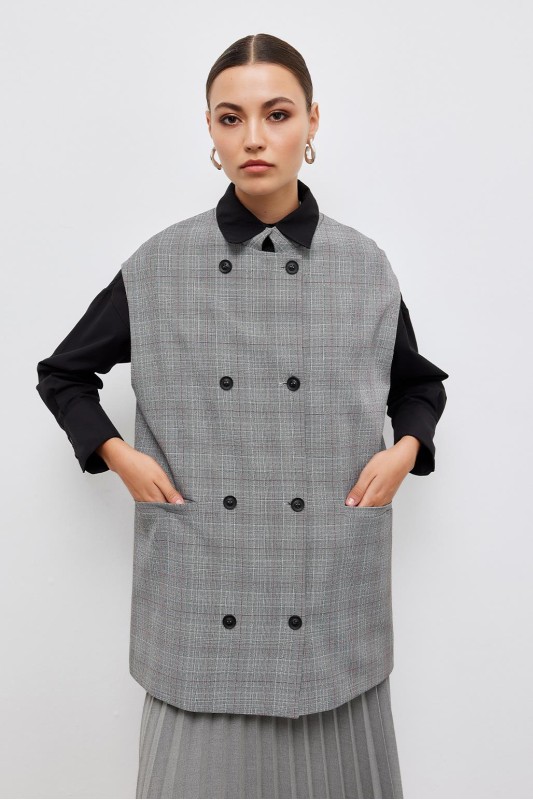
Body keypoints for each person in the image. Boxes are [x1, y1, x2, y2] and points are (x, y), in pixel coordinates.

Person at [36, 32, 449, 800]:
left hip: (330, 590)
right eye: (231, 118)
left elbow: (418, 387)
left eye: (276, 114)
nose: (253, 137)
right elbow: (64, 375)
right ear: (210, 131)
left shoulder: (363, 265)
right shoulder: (159, 265)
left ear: (312, 122)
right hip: (203, 592)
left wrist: (403, 451)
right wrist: (120, 457)